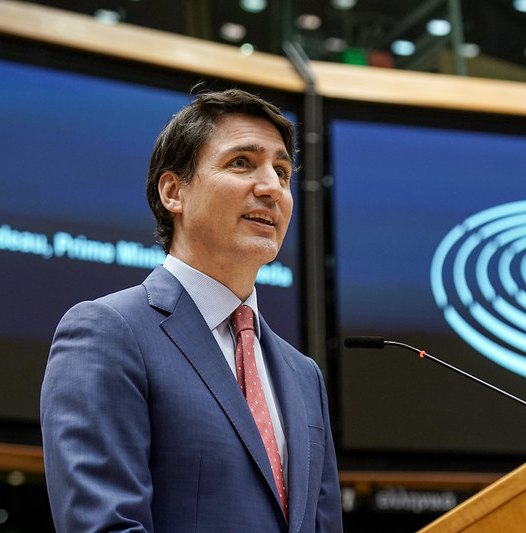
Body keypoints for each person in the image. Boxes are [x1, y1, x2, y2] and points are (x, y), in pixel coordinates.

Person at [40, 89, 343, 532]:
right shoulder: (107, 332)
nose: (271, 188)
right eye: (241, 162)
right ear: (173, 192)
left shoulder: (304, 375)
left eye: (281, 171)